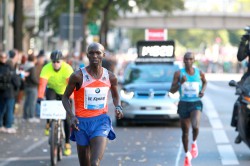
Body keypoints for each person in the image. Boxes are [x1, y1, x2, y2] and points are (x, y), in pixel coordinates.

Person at [62, 42, 123, 166]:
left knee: (94, 162)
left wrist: (118, 106)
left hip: (101, 122)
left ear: (103, 55)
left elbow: (115, 95)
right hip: (81, 123)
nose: (95, 56)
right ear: (87, 55)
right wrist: (71, 116)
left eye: (98, 53)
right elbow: (65, 97)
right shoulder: (77, 76)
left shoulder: (110, 77)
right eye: (91, 53)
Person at [169, 52, 207, 166]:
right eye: (186, 59)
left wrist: (202, 91)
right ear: (183, 60)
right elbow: (172, 90)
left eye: (190, 59)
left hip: (195, 102)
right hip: (183, 103)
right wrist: (180, 83)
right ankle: (187, 155)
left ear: (194, 60)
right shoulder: (178, 73)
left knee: (195, 126)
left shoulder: (199, 73)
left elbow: (205, 82)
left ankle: (194, 143)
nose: (188, 61)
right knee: (185, 131)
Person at [37, 50, 74, 156]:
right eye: (54, 61)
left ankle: (67, 143)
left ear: (62, 61)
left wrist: (71, 98)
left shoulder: (67, 69)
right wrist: (40, 97)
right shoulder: (46, 68)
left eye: (58, 61)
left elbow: (72, 86)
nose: (56, 64)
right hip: (52, 89)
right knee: (49, 102)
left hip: (64, 92)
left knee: (67, 120)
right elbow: (42, 84)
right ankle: (48, 123)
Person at [231, 29, 250, 144]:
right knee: (239, 101)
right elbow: (240, 57)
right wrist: (243, 42)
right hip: (249, 78)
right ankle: (240, 131)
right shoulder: (249, 46)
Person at [0, 52, 21, 133]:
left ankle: (1, 125)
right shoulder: (10, 69)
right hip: (10, 92)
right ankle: (8, 126)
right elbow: (16, 82)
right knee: (9, 110)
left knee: (1, 109)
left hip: (1, 92)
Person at [22, 54, 39, 123]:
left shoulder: (25, 65)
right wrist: (38, 83)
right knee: (32, 102)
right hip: (32, 87)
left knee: (26, 102)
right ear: (34, 59)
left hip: (26, 86)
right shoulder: (32, 67)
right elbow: (33, 78)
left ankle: (25, 116)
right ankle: (31, 116)